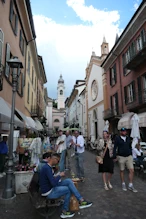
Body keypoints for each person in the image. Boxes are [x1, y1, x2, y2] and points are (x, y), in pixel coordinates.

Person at [39, 153, 92, 218]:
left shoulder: (48, 167)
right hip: (48, 191)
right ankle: (64, 211)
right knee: (68, 190)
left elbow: (51, 179)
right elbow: (53, 183)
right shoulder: (47, 168)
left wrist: (57, 175)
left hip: (50, 187)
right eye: (58, 161)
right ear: (54, 159)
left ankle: (81, 200)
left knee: (68, 181)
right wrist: (59, 176)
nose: (58, 163)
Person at [113, 127, 137, 192]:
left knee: (131, 170)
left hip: (129, 156)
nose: (124, 132)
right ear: (121, 132)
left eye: (125, 131)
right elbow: (115, 147)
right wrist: (114, 156)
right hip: (121, 156)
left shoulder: (128, 138)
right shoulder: (117, 139)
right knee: (122, 170)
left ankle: (130, 184)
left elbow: (131, 146)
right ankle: (123, 183)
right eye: (123, 131)